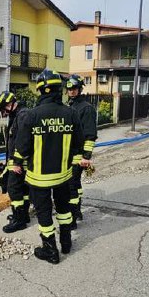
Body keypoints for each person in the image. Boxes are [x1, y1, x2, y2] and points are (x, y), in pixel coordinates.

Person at [12, 69, 84, 264]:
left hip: (39, 178)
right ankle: (66, 243)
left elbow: (21, 147)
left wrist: (16, 163)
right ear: (58, 89)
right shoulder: (71, 113)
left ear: (41, 90)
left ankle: (50, 251)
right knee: (64, 209)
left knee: (44, 213)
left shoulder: (32, 115)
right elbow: (79, 144)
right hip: (63, 175)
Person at [0, 91, 31, 233]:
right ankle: (22, 216)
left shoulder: (22, 115)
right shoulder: (16, 114)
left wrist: (16, 162)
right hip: (18, 161)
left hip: (19, 163)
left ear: (9, 104)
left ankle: (19, 221)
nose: (3, 113)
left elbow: (24, 141)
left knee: (14, 190)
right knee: (23, 190)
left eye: (3, 109)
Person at [65, 74, 97, 226]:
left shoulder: (86, 108)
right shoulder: (70, 106)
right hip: (68, 154)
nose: (71, 91)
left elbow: (90, 135)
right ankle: (76, 211)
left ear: (79, 89)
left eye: (74, 88)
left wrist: (86, 156)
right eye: (69, 88)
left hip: (78, 155)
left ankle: (72, 217)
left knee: (71, 186)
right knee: (74, 185)